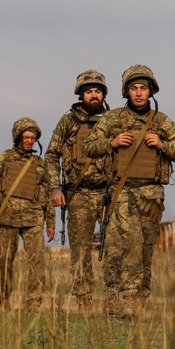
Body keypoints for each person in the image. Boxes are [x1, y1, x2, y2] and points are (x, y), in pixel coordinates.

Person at [83, 65, 175, 319]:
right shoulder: (113, 119)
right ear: (127, 92)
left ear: (150, 90)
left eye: (143, 88)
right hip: (121, 192)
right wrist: (112, 142)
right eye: (134, 88)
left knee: (144, 252)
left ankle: (137, 303)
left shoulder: (162, 121)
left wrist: (163, 145)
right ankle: (124, 302)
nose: (139, 93)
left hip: (151, 198)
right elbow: (89, 147)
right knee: (125, 246)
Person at [46, 69, 117, 313]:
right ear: (81, 95)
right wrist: (55, 188)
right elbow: (51, 155)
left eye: (98, 91)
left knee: (116, 246)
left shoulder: (114, 120)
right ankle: (84, 301)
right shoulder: (68, 122)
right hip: (79, 194)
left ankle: (114, 299)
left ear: (103, 93)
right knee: (80, 252)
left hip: (109, 193)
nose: (94, 95)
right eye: (89, 91)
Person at [0, 118, 54, 309]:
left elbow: (48, 194)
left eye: (33, 137)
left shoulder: (40, 164)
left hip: (34, 218)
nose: (30, 140)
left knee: (37, 262)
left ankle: (33, 303)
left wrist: (51, 223)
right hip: (6, 218)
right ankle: (3, 301)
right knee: (4, 262)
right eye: (26, 137)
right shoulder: (2, 159)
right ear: (18, 137)